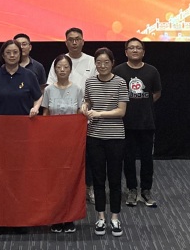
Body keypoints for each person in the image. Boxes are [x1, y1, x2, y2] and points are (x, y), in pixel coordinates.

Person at [0, 39, 43, 236]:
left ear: (20, 53)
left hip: (22, 134)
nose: (12, 55)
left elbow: (38, 96)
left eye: (15, 52)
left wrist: (36, 107)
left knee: (20, 177)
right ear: (3, 55)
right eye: (8, 52)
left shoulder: (29, 75)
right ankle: (0, 220)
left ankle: (19, 219)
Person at [82, 47, 128, 237]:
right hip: (94, 136)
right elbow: (87, 101)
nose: (102, 66)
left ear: (112, 63)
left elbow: (121, 111)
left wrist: (99, 114)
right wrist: (84, 106)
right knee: (98, 179)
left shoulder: (120, 82)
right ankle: (100, 217)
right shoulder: (90, 82)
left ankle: (115, 218)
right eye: (99, 62)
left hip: (115, 137)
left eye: (106, 62)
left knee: (115, 179)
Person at [47, 27, 97, 202]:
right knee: (61, 156)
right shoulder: (59, 61)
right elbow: (50, 87)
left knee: (86, 155)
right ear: (66, 42)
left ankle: (88, 187)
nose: (74, 42)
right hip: (60, 120)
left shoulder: (92, 62)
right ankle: (63, 189)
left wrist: (86, 106)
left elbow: (96, 87)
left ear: (83, 41)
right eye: (71, 39)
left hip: (84, 118)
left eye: (77, 39)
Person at [114, 37, 162, 208]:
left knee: (147, 159)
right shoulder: (119, 71)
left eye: (138, 48)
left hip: (146, 123)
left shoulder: (152, 71)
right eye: (131, 48)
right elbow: (115, 93)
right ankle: (132, 189)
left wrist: (143, 104)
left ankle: (146, 190)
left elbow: (156, 93)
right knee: (128, 158)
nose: (135, 50)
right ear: (126, 52)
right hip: (125, 123)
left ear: (143, 51)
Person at [42, 54, 82, 234]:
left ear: (70, 69)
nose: (62, 70)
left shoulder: (77, 90)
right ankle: (56, 218)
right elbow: (45, 114)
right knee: (54, 180)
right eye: (59, 67)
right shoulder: (49, 90)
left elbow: (80, 114)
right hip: (53, 142)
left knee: (70, 179)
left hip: (72, 142)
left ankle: (69, 217)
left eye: (66, 67)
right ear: (55, 69)